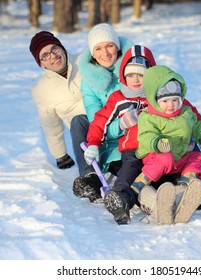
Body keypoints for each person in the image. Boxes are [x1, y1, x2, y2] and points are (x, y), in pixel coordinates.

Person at [132, 65, 201, 225]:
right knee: (164, 158)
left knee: (197, 157)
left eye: (175, 100)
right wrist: (158, 143)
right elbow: (146, 135)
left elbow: (197, 125)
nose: (171, 105)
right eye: (165, 101)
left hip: (180, 159)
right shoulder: (148, 117)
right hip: (157, 160)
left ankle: (184, 191)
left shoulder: (186, 113)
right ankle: (143, 187)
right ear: (155, 99)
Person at [83, 45, 156, 224]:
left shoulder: (157, 95)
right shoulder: (119, 97)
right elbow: (100, 122)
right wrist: (93, 144)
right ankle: (121, 199)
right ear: (123, 75)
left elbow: (186, 111)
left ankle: (186, 191)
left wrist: (199, 133)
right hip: (132, 148)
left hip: (157, 147)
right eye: (130, 75)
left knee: (164, 170)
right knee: (129, 170)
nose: (135, 80)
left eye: (141, 74)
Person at [72, 23, 133, 201]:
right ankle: (90, 176)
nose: (105, 53)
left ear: (118, 47)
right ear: (92, 53)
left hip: (137, 131)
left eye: (109, 46)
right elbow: (96, 119)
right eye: (98, 48)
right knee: (78, 121)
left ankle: (193, 163)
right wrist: (121, 125)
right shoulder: (89, 81)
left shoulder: (134, 68)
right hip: (108, 134)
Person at [29, 31, 86, 171]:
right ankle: (89, 176)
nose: (53, 56)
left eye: (54, 49)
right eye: (45, 55)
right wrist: (60, 154)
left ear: (61, 47)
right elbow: (51, 125)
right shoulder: (42, 89)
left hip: (109, 122)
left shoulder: (85, 61)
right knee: (77, 122)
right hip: (84, 136)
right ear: (42, 65)